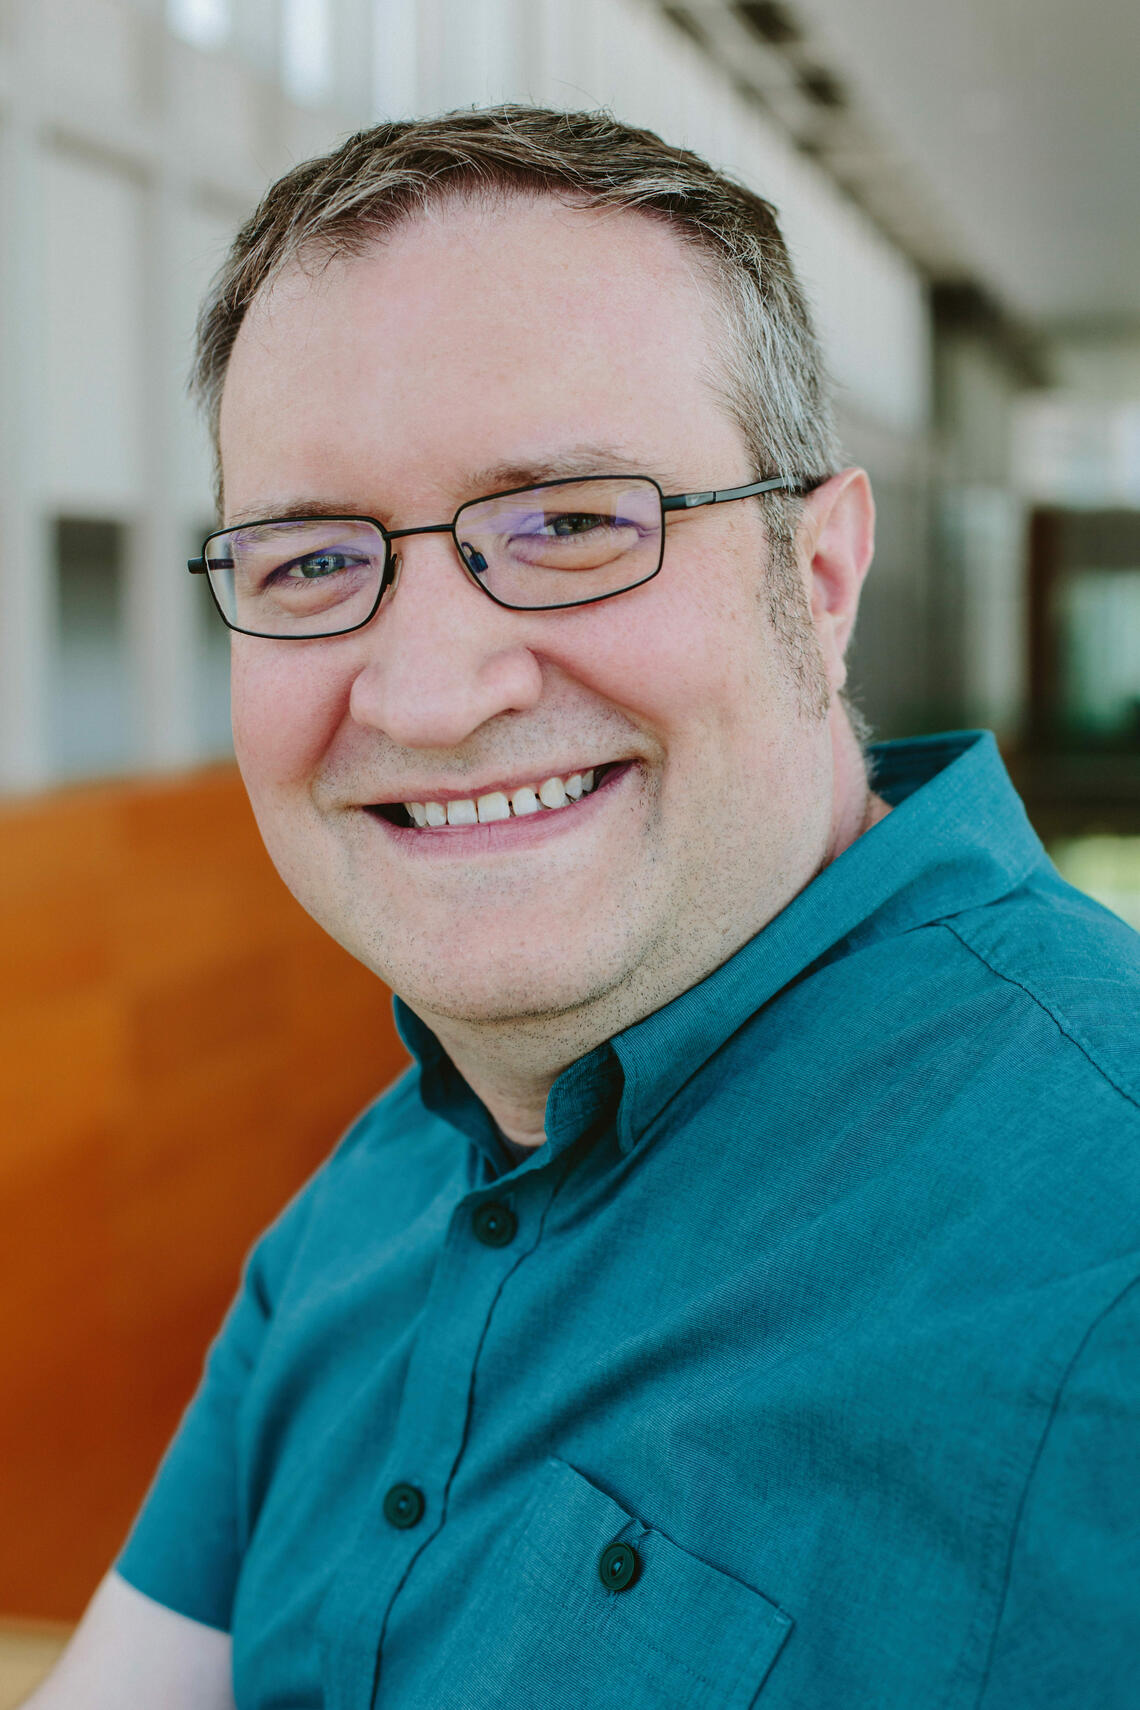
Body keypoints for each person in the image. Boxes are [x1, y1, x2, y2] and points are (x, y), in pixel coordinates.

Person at [31, 106, 1139, 1710]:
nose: (428, 690)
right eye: (312, 560)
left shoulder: (1102, 1240)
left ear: (817, 580)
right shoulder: (370, 1202)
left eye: (568, 525)